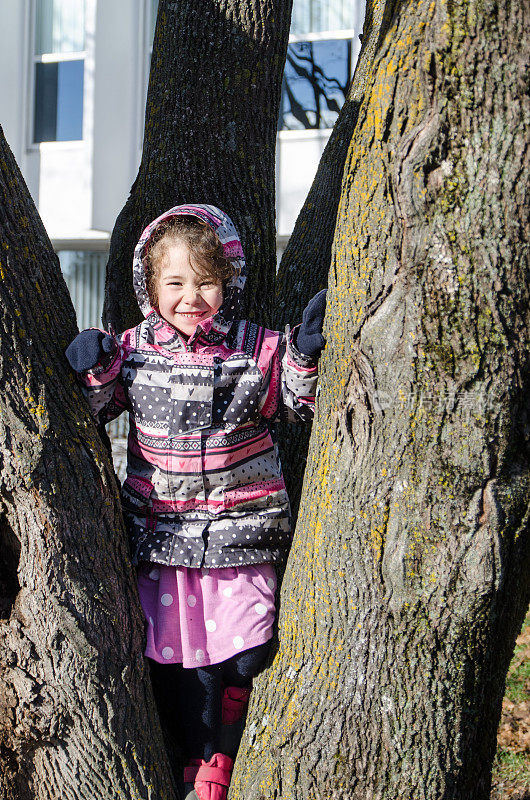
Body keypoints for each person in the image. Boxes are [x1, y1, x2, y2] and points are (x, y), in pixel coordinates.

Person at [65, 204, 326, 800]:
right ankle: (193, 753)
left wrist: (306, 355)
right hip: (164, 532)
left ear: (228, 278)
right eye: (175, 283)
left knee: (244, 641)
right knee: (175, 651)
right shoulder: (131, 349)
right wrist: (95, 369)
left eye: (205, 281)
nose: (191, 297)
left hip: (239, 528)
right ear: (150, 286)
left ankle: (223, 747)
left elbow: (298, 398)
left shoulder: (255, 347)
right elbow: (99, 410)